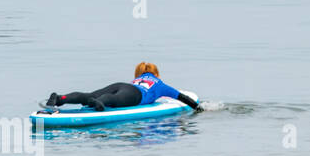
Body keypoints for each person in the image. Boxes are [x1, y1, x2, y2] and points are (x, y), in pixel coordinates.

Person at [44, 62, 199, 111]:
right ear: (156, 74)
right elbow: (182, 97)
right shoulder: (161, 85)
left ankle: (60, 98)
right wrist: (198, 108)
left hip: (120, 84)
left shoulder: (138, 79)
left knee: (88, 94)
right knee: (114, 100)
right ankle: (99, 103)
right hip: (136, 95)